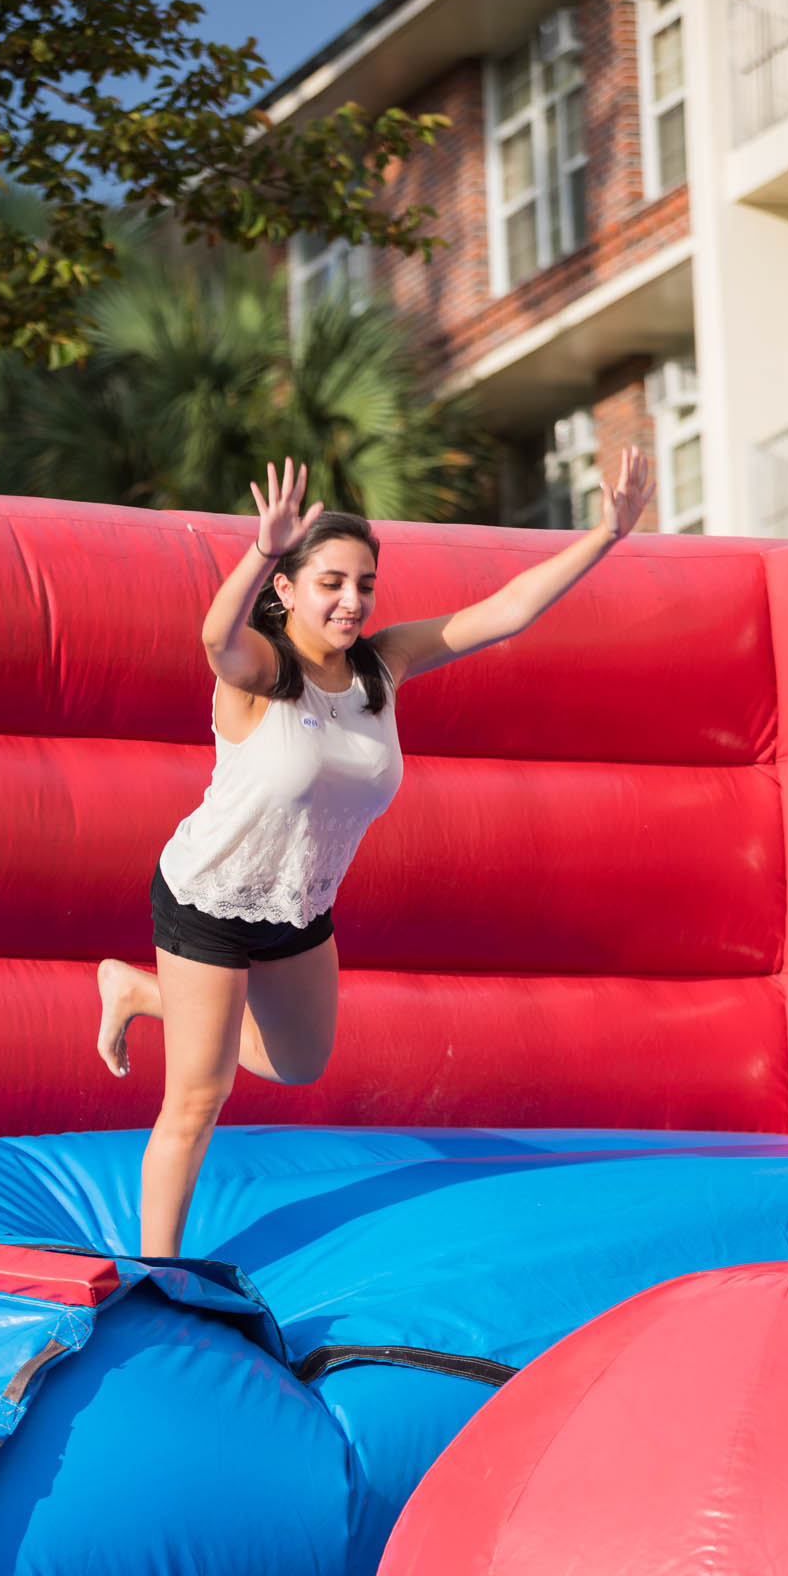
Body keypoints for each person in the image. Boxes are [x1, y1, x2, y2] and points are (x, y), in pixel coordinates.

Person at [98, 448, 654, 1257]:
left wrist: (605, 534)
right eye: (330, 582)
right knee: (198, 1097)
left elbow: (502, 612)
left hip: (300, 907)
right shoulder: (260, 671)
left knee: (297, 1065)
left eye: (364, 584)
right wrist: (260, 550)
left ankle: (143, 995)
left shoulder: (379, 670)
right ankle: (157, 1274)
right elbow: (215, 636)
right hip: (208, 899)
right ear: (286, 591)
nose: (351, 601)